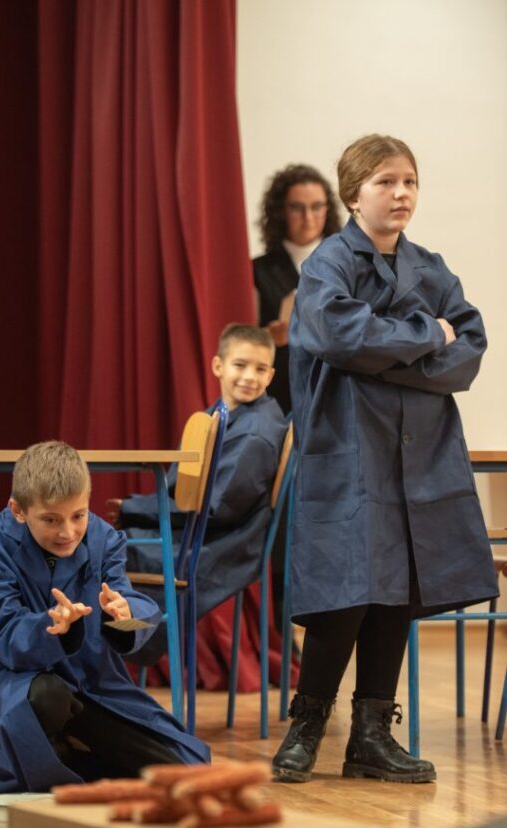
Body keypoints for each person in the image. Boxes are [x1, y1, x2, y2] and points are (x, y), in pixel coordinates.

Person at [271, 134, 498, 785]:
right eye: (385, 182)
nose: (401, 194)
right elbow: (339, 333)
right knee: (346, 589)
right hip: (349, 452)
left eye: (409, 182)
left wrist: (383, 359)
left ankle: (371, 736)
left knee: (397, 589)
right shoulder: (328, 264)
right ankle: (307, 724)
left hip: (420, 454)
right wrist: (426, 335)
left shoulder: (430, 267)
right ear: (353, 194)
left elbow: (470, 347)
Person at [0, 441, 210, 793]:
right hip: (16, 681)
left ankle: (72, 757)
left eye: (78, 516)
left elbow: (136, 614)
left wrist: (125, 614)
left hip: (93, 681)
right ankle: (62, 755)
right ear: (18, 510)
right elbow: (5, 635)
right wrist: (53, 628)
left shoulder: (103, 538)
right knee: (46, 699)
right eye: (51, 519)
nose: (67, 532)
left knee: (186, 768)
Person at [110, 323, 288, 665]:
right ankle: (109, 652)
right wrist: (137, 509)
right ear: (218, 365)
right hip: (205, 532)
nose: (249, 377)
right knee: (107, 544)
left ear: (271, 375)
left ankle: (113, 651)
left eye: (260, 369)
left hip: (220, 545)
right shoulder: (221, 414)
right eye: (240, 365)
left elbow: (215, 508)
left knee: (107, 553)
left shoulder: (255, 434)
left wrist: (136, 509)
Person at [252, 164, 341, 415]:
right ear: (280, 211)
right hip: (280, 396)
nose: (308, 217)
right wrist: (267, 337)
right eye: (297, 208)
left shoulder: (349, 264)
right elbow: (239, 341)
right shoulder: (257, 270)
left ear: (328, 209)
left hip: (336, 393)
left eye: (317, 206)